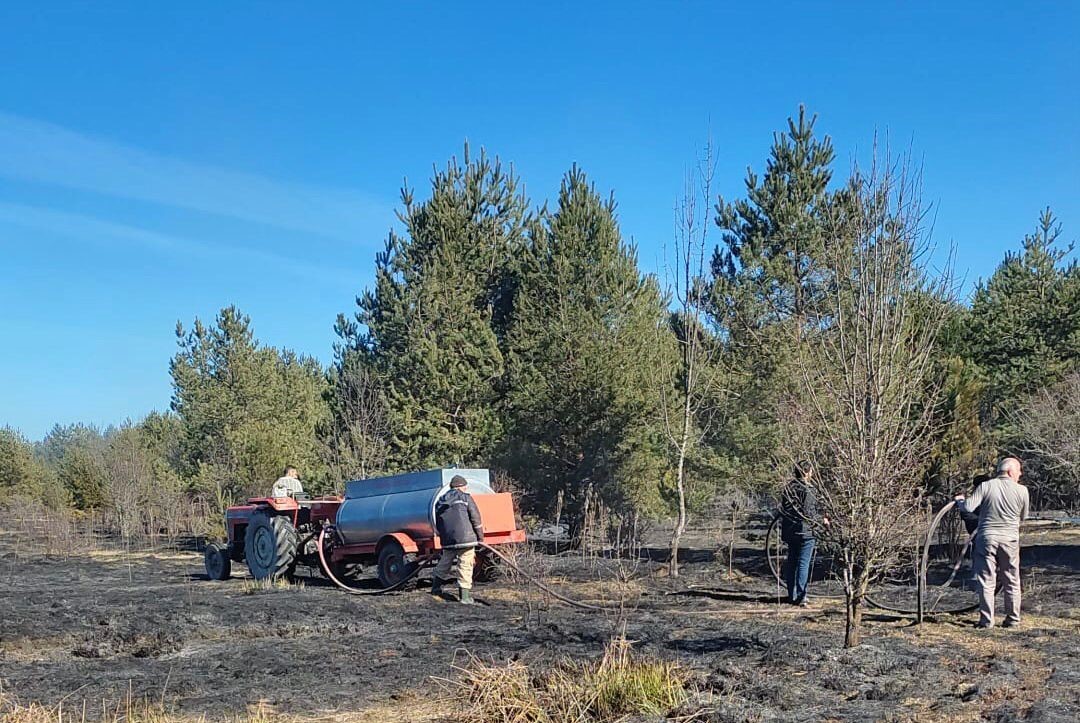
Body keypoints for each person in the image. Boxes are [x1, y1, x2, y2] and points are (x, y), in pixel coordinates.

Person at [955, 457, 1030, 629]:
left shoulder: (986, 486)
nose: (1020, 474)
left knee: (986, 580)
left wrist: (960, 502)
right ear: (1011, 472)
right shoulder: (1022, 490)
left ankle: (987, 621)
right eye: (1019, 471)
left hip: (987, 538)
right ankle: (1013, 620)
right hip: (1010, 540)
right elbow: (1023, 517)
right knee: (1011, 580)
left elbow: (968, 508)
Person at [431, 474, 485, 605]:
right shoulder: (465, 498)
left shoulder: (440, 501)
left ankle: (435, 588)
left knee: (445, 562)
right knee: (465, 565)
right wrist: (480, 537)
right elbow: (475, 518)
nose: (466, 489)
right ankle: (464, 597)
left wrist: (443, 537)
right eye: (465, 487)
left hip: (448, 540)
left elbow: (437, 523)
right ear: (461, 487)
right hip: (466, 539)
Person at [779, 461, 827, 606]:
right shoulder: (809, 490)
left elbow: (785, 509)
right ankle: (801, 596)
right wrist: (822, 519)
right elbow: (808, 513)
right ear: (806, 472)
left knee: (792, 562)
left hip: (789, 530)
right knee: (803, 563)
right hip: (805, 531)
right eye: (811, 471)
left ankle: (791, 595)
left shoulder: (788, 488)